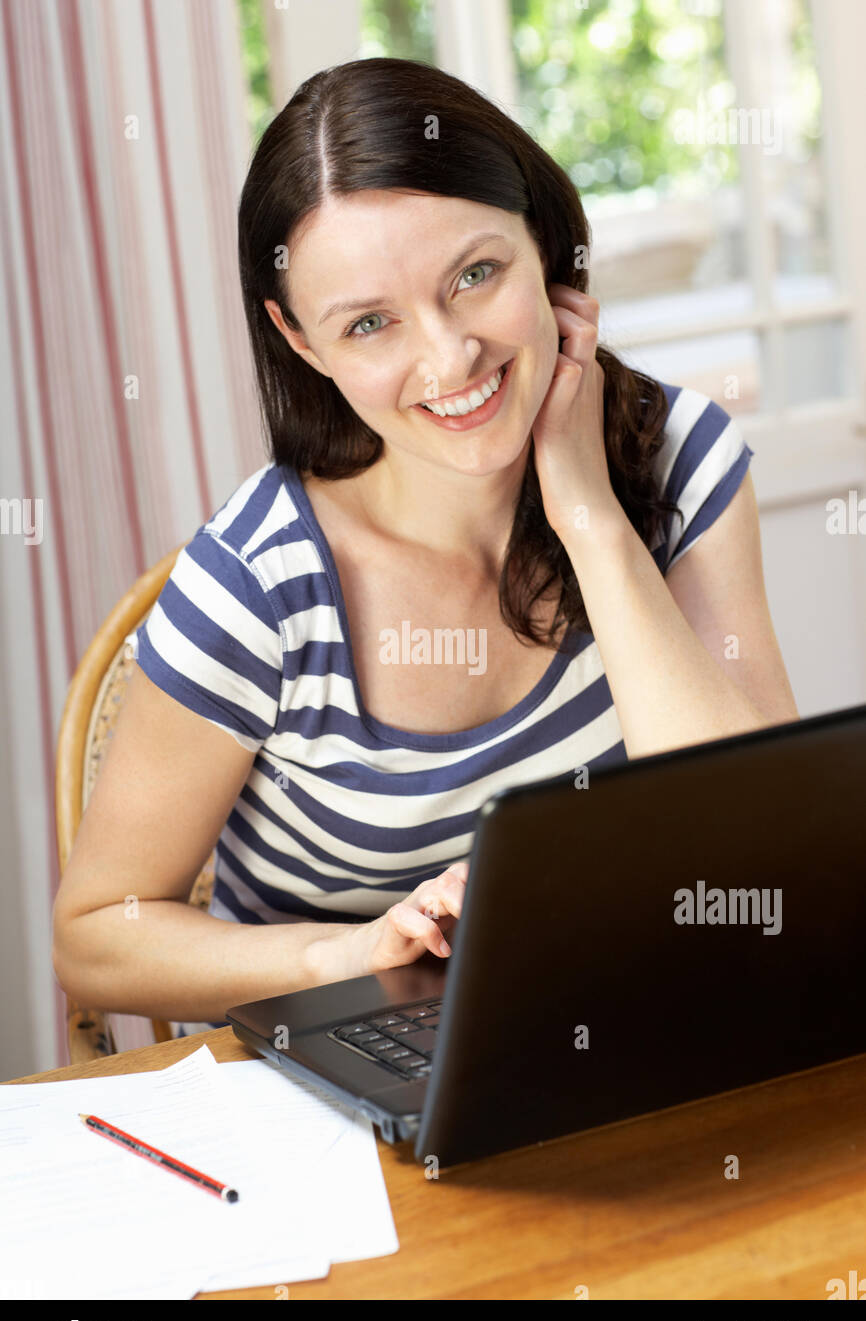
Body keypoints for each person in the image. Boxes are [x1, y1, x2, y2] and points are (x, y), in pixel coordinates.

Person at [52, 58, 798, 1036]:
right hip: (336, 1080)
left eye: (474, 274)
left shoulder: (677, 462)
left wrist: (586, 516)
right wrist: (351, 953)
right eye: (369, 323)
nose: (448, 359)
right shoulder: (256, 583)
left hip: (624, 1028)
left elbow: (753, 858)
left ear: (545, 241)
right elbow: (97, 934)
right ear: (300, 342)